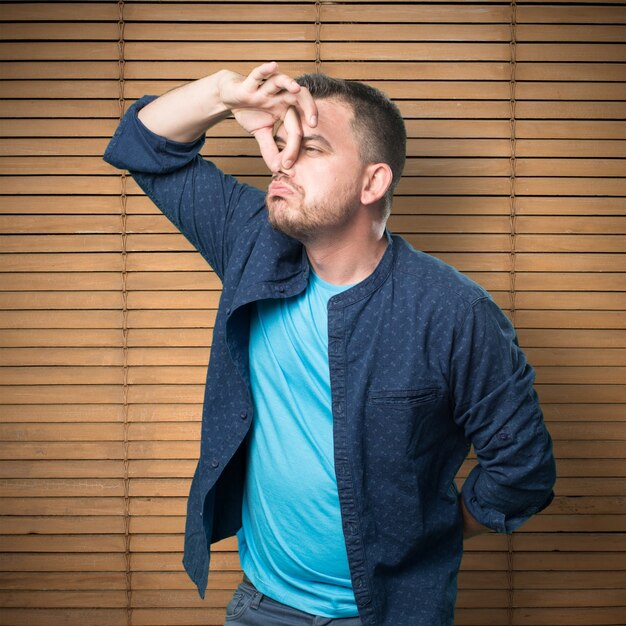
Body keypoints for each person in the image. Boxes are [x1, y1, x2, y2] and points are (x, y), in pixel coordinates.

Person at [104, 62, 556, 626]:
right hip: (263, 605)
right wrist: (223, 93)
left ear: (373, 182)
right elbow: (142, 143)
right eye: (280, 142)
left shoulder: (454, 312)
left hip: (392, 613)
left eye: (310, 148)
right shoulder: (253, 242)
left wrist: (430, 527)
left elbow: (522, 470)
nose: (282, 161)